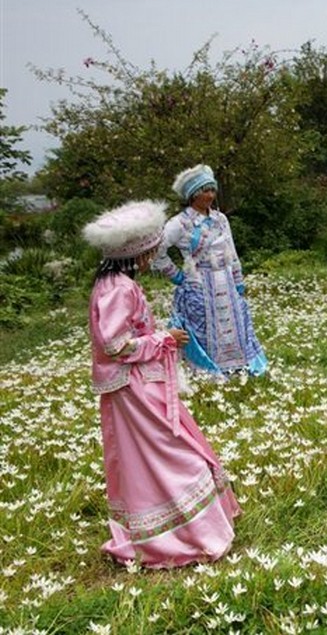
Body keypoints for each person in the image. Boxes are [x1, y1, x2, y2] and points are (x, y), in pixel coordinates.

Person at [83, 200, 241, 568]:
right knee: (170, 448)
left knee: (146, 457)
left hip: (131, 385)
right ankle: (186, 532)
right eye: (151, 249)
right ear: (136, 253)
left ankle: (166, 529)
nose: (153, 255)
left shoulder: (110, 283)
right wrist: (163, 339)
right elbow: (115, 344)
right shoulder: (119, 289)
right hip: (135, 387)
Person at [152, 164, 267, 378]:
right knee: (202, 326)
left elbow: (231, 252)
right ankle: (206, 369)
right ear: (193, 195)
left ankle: (236, 366)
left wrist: (238, 280)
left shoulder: (220, 220)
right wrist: (175, 275)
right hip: (199, 284)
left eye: (212, 190)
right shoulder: (179, 223)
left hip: (226, 282)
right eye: (205, 191)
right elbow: (157, 250)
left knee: (235, 324)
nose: (211, 195)